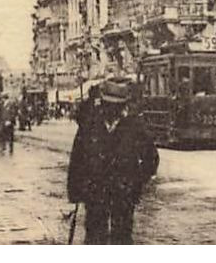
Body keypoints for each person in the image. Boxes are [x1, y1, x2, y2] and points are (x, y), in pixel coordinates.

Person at [66, 78, 160, 245]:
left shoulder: (134, 127)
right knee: (95, 237)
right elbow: (77, 160)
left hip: (123, 194)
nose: (112, 108)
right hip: (95, 193)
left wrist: (136, 182)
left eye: (116, 105)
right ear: (101, 103)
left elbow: (151, 158)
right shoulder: (89, 127)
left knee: (122, 237)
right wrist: (75, 191)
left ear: (123, 105)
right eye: (108, 104)